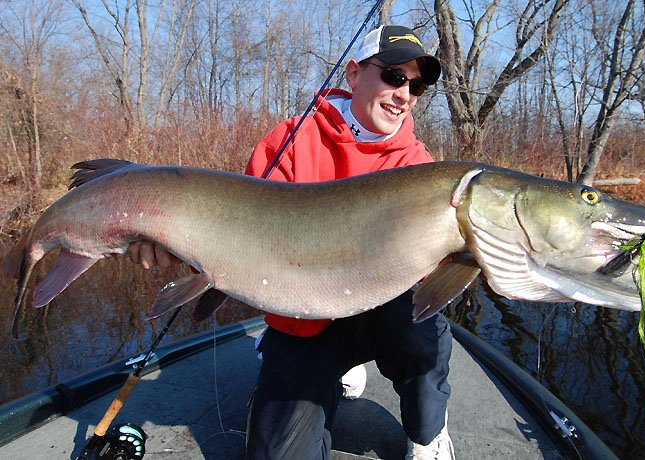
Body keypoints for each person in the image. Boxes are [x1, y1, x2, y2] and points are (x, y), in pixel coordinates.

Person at [129, 25, 454, 460]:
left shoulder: (419, 166)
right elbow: (238, 241)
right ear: (355, 75)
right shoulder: (288, 141)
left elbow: (431, 269)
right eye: (395, 76)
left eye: (417, 86)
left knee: (419, 329)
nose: (405, 94)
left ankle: (428, 432)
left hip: (379, 306)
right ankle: (331, 368)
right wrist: (178, 249)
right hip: (304, 319)